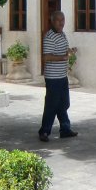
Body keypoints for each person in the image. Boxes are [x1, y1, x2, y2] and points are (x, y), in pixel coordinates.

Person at [39, 11, 78, 142]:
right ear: (52, 21)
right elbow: (46, 57)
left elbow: (62, 51)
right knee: (51, 105)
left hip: (62, 76)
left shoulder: (62, 35)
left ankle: (65, 129)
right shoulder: (49, 37)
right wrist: (63, 57)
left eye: (63, 20)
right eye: (58, 20)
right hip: (53, 77)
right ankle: (44, 131)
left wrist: (69, 51)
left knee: (64, 103)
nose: (61, 23)